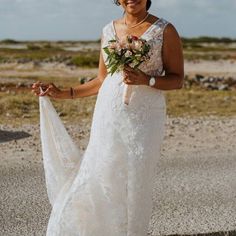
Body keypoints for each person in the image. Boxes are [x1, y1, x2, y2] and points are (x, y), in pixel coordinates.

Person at [32, 0, 184, 235]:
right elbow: (102, 79)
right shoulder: (108, 30)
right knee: (101, 174)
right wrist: (62, 93)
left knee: (135, 181)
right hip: (108, 114)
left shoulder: (165, 30)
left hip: (145, 118)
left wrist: (148, 80)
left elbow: (177, 79)